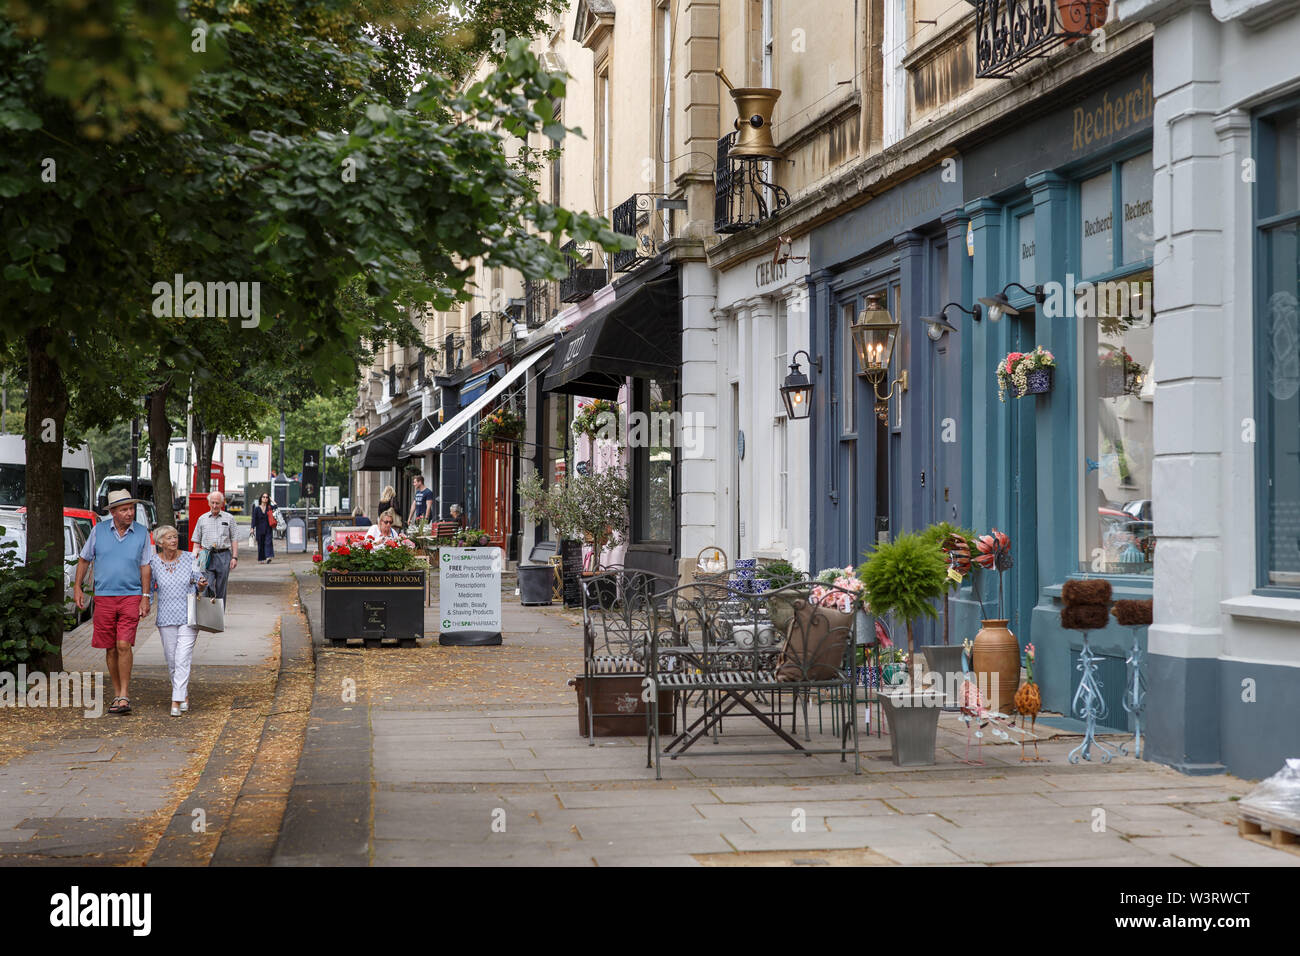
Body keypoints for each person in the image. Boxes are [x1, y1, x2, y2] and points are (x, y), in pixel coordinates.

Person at [72, 489, 152, 716]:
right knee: (110, 647)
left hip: (131, 595)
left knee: (123, 644)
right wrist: (78, 587)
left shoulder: (142, 533)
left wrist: (145, 597)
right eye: (124, 509)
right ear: (114, 512)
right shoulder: (98, 531)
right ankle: (117, 693)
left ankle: (125, 694)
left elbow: (146, 566)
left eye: (131, 508)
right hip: (104, 596)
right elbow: (84, 559)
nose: (130, 513)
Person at [149, 526, 207, 717]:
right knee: (172, 660)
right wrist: (144, 604)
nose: (174, 540)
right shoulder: (154, 562)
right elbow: (148, 589)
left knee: (183, 658)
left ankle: (175, 700)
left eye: (175, 537)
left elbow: (200, 579)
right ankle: (184, 695)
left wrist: (201, 584)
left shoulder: (190, 558)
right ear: (160, 543)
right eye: (169, 538)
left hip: (188, 616)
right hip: (166, 617)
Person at [191, 491, 239, 600]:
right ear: (208, 503)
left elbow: (234, 539)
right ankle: (207, 613)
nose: (214, 506)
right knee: (206, 585)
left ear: (222, 504)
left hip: (224, 555)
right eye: (212, 502)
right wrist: (194, 559)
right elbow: (196, 541)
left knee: (221, 588)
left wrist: (234, 557)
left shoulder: (229, 518)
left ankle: (219, 615)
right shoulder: (202, 519)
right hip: (205, 555)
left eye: (217, 503)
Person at [251, 492, 279, 564]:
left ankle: (268, 557)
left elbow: (276, 506)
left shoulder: (269, 507)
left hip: (268, 528)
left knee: (268, 542)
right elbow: (254, 519)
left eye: (266, 497)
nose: (265, 498)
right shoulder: (257, 509)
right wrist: (252, 528)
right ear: (261, 498)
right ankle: (261, 559)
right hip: (259, 529)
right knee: (261, 544)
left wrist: (271, 499)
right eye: (264, 497)